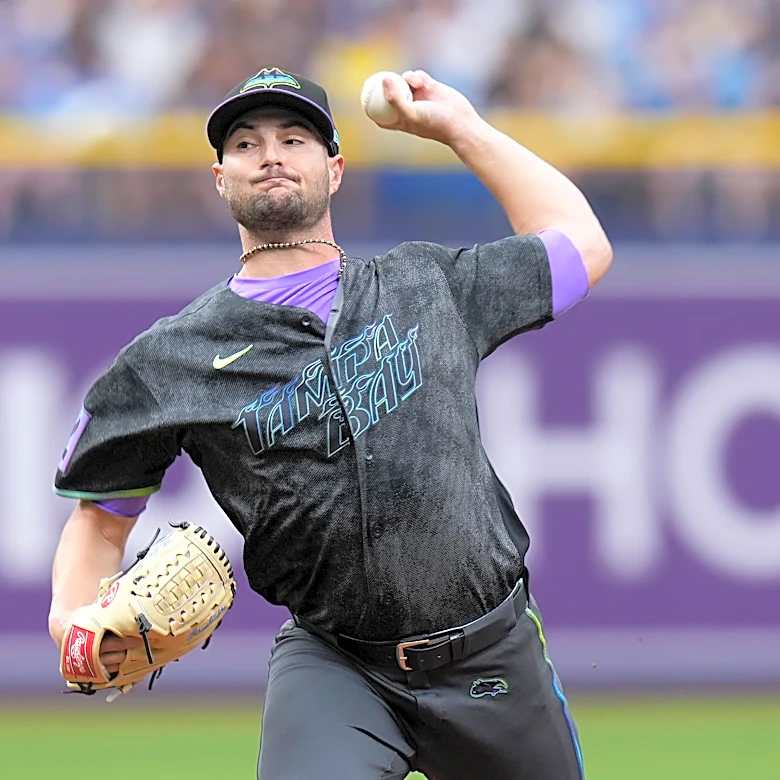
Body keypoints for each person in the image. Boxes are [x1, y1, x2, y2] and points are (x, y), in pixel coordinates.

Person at [49, 66, 612, 779]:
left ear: (335, 169)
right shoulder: (173, 358)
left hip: (491, 653)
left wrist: (461, 129)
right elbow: (101, 517)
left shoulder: (426, 284)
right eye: (246, 144)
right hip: (336, 667)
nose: (271, 153)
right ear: (220, 178)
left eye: (295, 137)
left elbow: (582, 245)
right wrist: (70, 621)